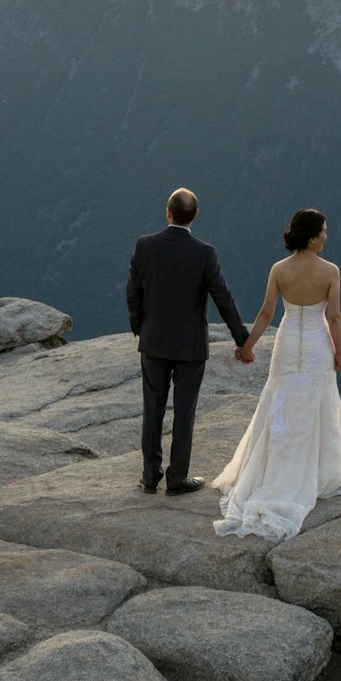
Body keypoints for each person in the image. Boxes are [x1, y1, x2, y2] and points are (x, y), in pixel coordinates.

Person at [212, 208, 341, 541]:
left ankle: (271, 470)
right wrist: (339, 353)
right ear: (312, 237)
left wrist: (247, 346)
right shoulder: (330, 271)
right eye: (323, 231)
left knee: (279, 403)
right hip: (316, 346)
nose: (326, 236)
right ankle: (318, 471)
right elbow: (335, 318)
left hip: (287, 343)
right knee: (317, 402)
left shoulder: (279, 270)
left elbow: (267, 312)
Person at [127, 187, 252, 495]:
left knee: (152, 408)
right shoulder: (204, 253)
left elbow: (133, 292)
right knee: (184, 411)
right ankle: (177, 477)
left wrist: (140, 328)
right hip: (190, 346)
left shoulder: (145, 246)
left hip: (154, 342)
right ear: (195, 215)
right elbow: (223, 297)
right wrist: (242, 340)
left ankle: (149, 475)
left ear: (167, 212)